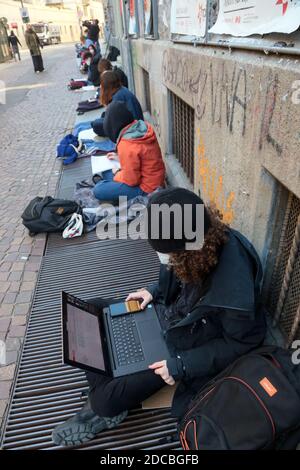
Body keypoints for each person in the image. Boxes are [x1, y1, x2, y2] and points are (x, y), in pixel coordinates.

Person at [52, 187, 266, 447]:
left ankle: (106, 388)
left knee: (103, 401)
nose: (165, 260)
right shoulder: (195, 241)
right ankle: (114, 368)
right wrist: (153, 292)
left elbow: (242, 343)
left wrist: (181, 365)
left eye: (171, 256)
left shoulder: (233, 290)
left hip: (179, 348)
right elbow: (175, 278)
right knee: (93, 308)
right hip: (164, 316)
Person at [93, 101, 165, 203]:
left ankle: (110, 187)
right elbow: (140, 156)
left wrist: (118, 172)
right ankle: (111, 185)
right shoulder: (142, 127)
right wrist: (119, 158)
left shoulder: (126, 144)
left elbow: (132, 181)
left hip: (147, 190)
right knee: (107, 172)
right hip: (156, 180)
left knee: (98, 190)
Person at [92, 71, 143, 136]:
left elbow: (116, 121)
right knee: (103, 116)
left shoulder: (118, 97)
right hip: (134, 124)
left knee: (95, 125)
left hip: (132, 129)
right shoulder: (121, 89)